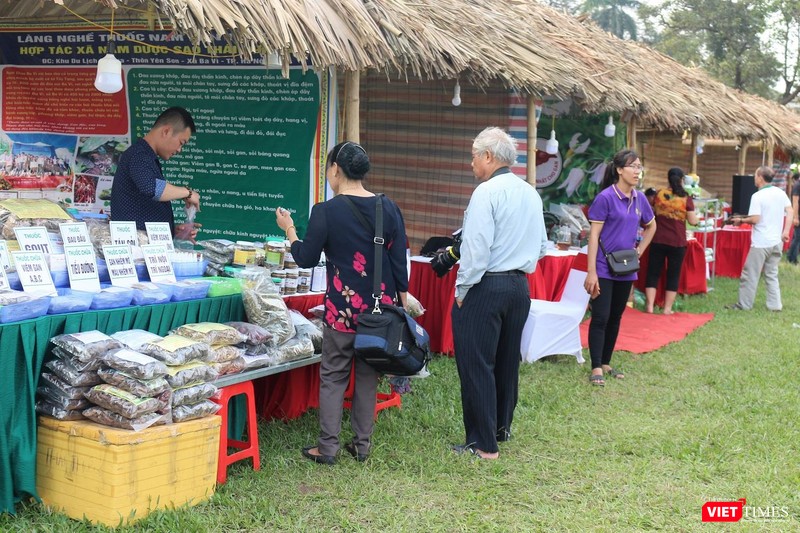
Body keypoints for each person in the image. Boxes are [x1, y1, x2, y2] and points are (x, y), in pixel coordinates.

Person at [275, 141, 408, 465]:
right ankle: (361, 446)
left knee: (333, 375)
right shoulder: (387, 208)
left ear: (335, 169)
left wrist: (290, 229)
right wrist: (402, 308)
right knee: (366, 376)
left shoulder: (326, 211)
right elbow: (399, 265)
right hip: (379, 313)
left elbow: (305, 258)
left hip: (342, 313)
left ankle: (328, 448)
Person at [450, 127, 547, 460]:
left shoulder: (486, 192)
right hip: (520, 285)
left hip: (487, 284)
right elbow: (543, 246)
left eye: (474, 156)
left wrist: (463, 288)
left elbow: (475, 249)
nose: (471, 163)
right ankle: (500, 429)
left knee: (477, 363)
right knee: (507, 361)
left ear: (488, 156)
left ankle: (483, 444)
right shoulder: (530, 192)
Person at [584, 149, 655, 386]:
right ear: (619, 170)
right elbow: (593, 237)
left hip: (627, 269)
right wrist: (591, 271)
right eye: (632, 166)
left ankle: (606, 362)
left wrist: (640, 251)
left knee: (616, 316)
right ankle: (595, 367)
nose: (637, 171)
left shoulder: (640, 199)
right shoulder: (605, 198)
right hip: (604, 268)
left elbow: (651, 226)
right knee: (601, 317)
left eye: (639, 166)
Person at [110, 106, 201, 238]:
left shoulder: (147, 157)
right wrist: (188, 193)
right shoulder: (139, 154)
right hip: (135, 249)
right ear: (166, 131)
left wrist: (171, 232)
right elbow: (151, 188)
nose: (180, 149)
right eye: (181, 142)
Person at [727, 166, 792, 311]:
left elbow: (756, 219)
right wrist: (786, 231)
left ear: (760, 178)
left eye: (755, 175)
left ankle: (744, 304)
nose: (754, 178)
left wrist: (741, 220)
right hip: (776, 241)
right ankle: (775, 305)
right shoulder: (780, 193)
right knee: (771, 273)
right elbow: (790, 211)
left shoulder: (757, 196)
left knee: (750, 274)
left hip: (761, 242)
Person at [644, 167, 699, 314]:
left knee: (653, 273)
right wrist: (698, 218)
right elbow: (693, 221)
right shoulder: (686, 198)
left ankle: (649, 307)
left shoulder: (659, 195)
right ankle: (667, 309)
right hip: (677, 242)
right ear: (682, 179)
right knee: (673, 275)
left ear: (668, 178)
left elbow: (652, 214)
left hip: (658, 239)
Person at [786, 172, 800, 264]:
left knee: (797, 237)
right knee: (798, 237)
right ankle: (791, 258)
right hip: (798, 215)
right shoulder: (797, 185)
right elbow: (795, 202)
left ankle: (792, 257)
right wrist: (795, 217)